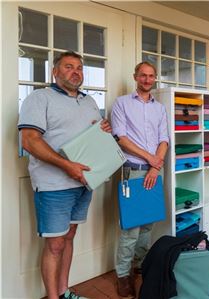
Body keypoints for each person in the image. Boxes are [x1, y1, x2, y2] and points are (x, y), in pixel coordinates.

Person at [18, 51, 111, 299]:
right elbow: (29, 141)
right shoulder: (39, 98)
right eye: (68, 66)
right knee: (55, 244)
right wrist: (67, 166)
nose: (76, 71)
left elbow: (95, 133)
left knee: (69, 237)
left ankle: (64, 291)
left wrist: (103, 129)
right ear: (55, 71)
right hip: (53, 185)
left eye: (79, 67)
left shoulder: (89, 101)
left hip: (84, 183)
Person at [111, 61, 169, 297]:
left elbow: (164, 139)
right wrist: (151, 160)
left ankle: (140, 265)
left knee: (148, 225)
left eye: (151, 76)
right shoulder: (121, 103)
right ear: (135, 76)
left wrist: (155, 167)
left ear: (155, 79)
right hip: (132, 170)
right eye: (143, 75)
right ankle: (123, 275)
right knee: (131, 228)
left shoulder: (160, 108)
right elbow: (121, 139)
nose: (147, 79)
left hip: (154, 171)